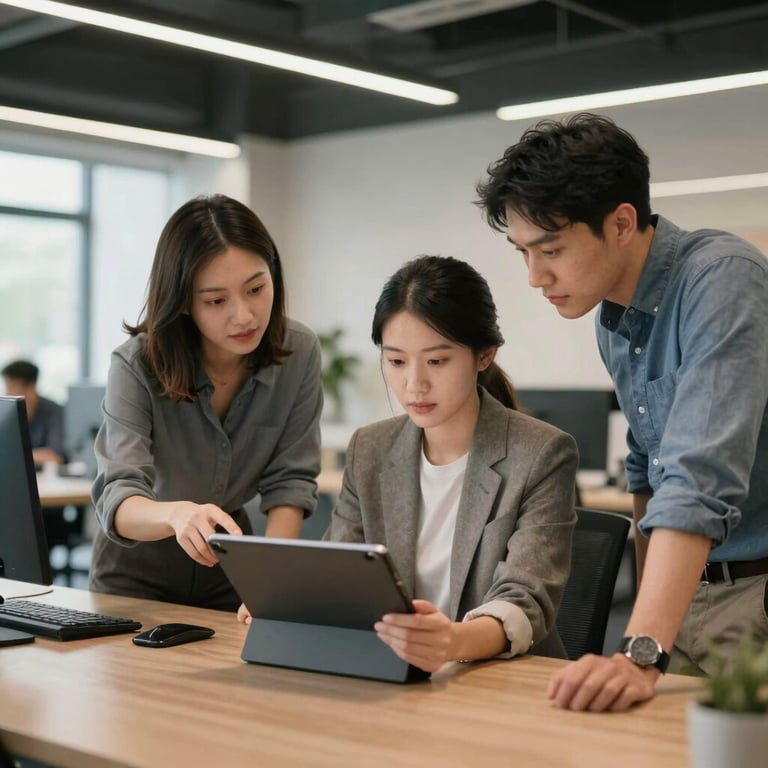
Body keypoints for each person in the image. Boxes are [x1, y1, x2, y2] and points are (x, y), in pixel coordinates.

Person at [476, 112, 768, 711]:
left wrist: (640, 649)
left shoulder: (722, 280)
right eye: (522, 252)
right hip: (686, 601)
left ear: (621, 223)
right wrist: (650, 624)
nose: (535, 277)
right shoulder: (614, 318)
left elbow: (696, 478)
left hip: (757, 597)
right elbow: (646, 470)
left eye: (550, 249)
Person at [244, 255, 577, 672]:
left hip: (499, 682)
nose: (413, 384)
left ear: (484, 355)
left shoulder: (542, 453)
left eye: (437, 361)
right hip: (387, 674)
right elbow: (340, 571)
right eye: (397, 361)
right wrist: (290, 602)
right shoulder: (371, 448)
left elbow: (524, 601)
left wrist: (450, 640)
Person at [90, 194, 323, 611]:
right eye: (216, 301)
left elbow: (291, 482)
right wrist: (176, 516)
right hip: (137, 566)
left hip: (234, 559)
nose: (245, 316)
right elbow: (119, 498)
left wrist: (269, 578)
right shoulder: (136, 365)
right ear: (182, 302)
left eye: (256, 289)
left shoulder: (299, 351)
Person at [1, 359, 65, 466]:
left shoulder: (54, 412)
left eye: (12, 387)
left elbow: (55, 456)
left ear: (31, 387)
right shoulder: (8, 414)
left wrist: (13, 456)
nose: (7, 393)